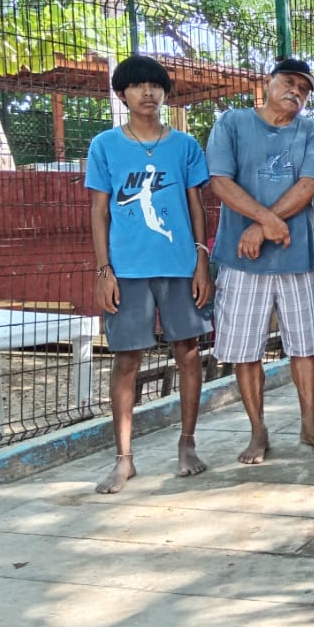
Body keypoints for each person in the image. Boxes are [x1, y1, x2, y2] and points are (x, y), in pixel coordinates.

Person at [86, 55, 213, 493]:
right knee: (126, 359)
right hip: (128, 271)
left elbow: (197, 205)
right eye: (137, 86)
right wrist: (105, 270)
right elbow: (100, 211)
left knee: (189, 351)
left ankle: (188, 444)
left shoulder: (185, 146)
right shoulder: (104, 146)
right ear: (122, 94)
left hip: (179, 267)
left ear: (164, 92)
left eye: (155, 85)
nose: (147, 93)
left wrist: (202, 259)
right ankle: (124, 459)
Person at [206, 57, 314, 463]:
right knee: (245, 351)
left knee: (304, 348)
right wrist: (264, 220)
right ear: (268, 83)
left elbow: (310, 184)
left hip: (296, 258)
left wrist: (262, 226)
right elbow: (220, 181)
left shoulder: (310, 130)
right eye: (289, 82)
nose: (296, 91)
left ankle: (309, 424)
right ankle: (258, 431)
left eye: (304, 87)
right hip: (242, 260)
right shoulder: (232, 123)